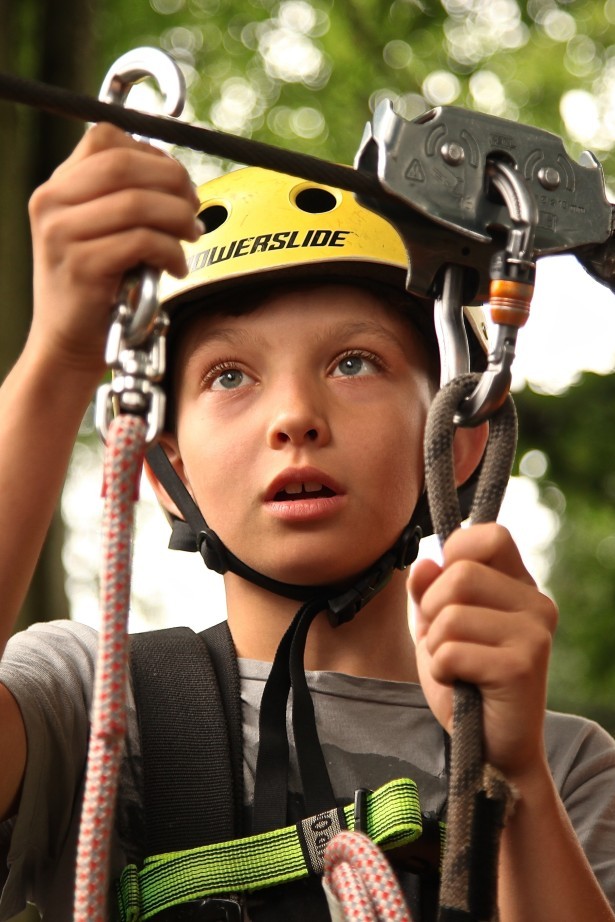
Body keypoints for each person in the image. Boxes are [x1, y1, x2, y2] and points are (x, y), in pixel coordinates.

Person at [0, 121, 614, 922]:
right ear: (166, 467)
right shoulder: (91, 707)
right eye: (229, 375)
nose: (294, 416)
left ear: (456, 436)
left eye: (353, 362)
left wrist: (511, 782)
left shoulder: (564, 767)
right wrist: (58, 358)